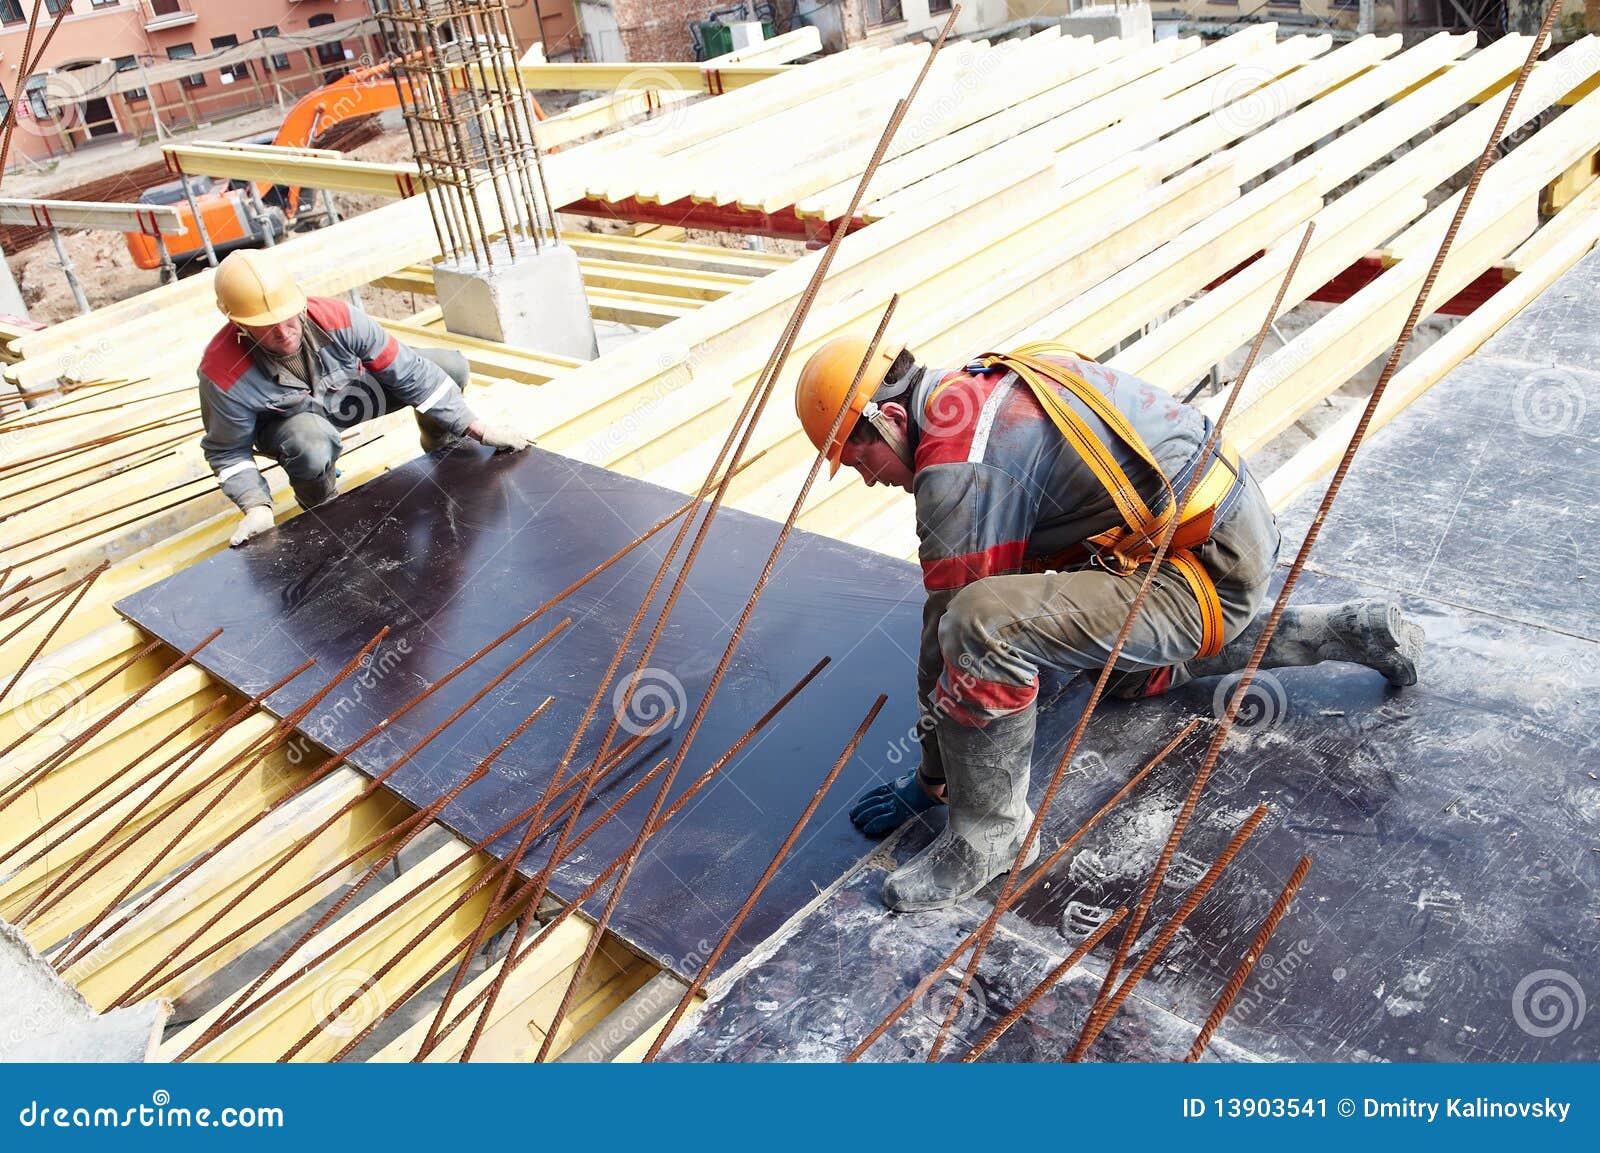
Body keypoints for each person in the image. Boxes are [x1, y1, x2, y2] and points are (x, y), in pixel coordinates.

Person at [794, 336, 1424, 912]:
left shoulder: (961, 461)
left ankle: (992, 837)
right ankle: (1346, 631)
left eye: (859, 461)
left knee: (983, 627)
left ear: (890, 420)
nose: (870, 479)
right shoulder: (984, 383)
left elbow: (948, 631)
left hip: (1198, 571)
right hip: (1212, 541)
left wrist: (933, 776)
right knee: (1105, 669)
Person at [198, 249, 531, 547]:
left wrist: (477, 428)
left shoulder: (336, 318)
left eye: (287, 319)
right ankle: (324, 509)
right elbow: (229, 452)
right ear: (238, 322)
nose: (284, 332)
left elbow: (412, 372)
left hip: (347, 399)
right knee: (311, 445)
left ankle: (444, 449)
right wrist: (256, 506)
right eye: (267, 326)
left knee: (448, 367)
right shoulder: (222, 371)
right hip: (293, 428)